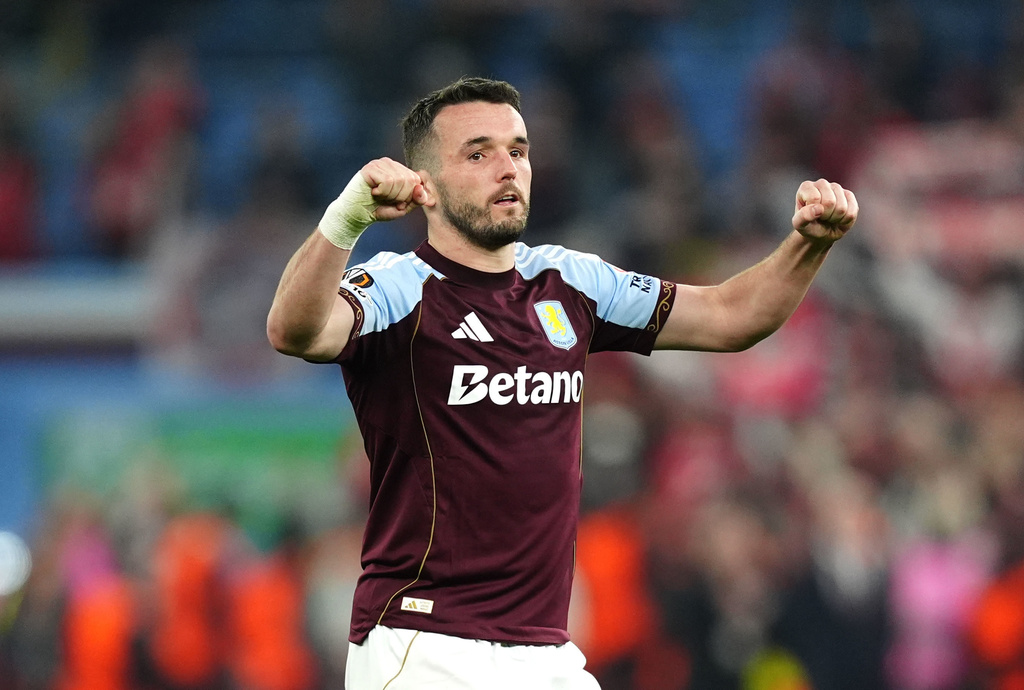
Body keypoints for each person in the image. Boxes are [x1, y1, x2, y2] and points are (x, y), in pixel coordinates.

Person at [266, 77, 858, 689]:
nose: (507, 169)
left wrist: (807, 244)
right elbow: (294, 330)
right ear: (426, 188)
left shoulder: (570, 282)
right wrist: (348, 217)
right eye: (478, 153)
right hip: (425, 644)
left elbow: (734, 318)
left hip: (545, 652)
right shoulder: (396, 286)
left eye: (517, 150)